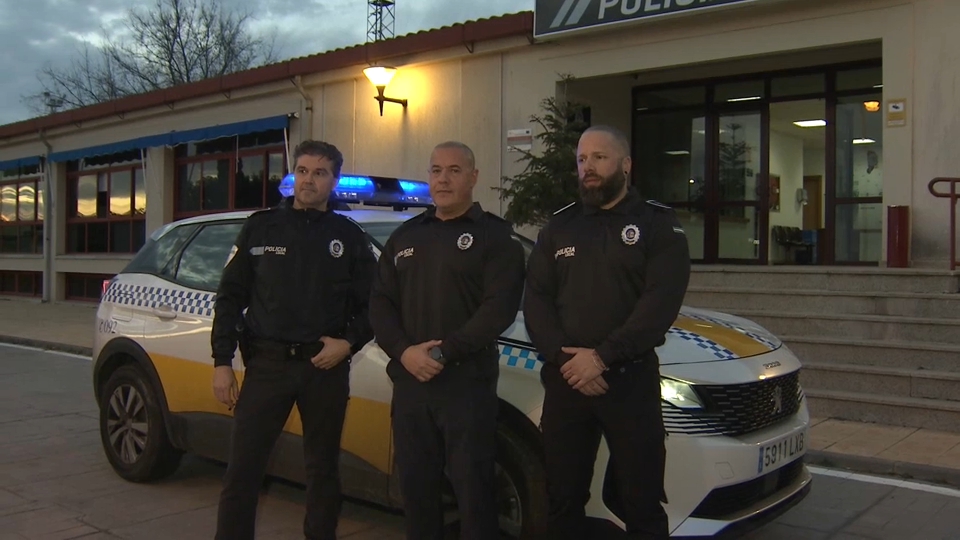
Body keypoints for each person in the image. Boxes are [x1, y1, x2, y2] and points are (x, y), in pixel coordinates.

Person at [522, 125, 691, 540]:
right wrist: (565, 360)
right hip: (567, 383)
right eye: (582, 159)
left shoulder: (657, 224)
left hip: (629, 383)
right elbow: (537, 300)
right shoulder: (560, 226)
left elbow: (659, 306)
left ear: (626, 165)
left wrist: (600, 358)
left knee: (642, 502)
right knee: (562, 498)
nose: (588, 167)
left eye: (599, 157)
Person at [210, 139, 377, 540]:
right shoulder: (261, 226)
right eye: (302, 171)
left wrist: (348, 343)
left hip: (324, 368)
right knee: (243, 469)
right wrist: (222, 361)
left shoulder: (349, 237)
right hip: (267, 366)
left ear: (333, 180)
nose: (309, 180)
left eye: (320, 173)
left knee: (323, 471)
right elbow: (229, 297)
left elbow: (374, 305)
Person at [368, 141, 526, 540]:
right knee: (417, 492)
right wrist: (405, 353)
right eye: (436, 170)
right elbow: (380, 304)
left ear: (473, 177)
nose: (443, 179)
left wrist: (442, 352)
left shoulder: (495, 237)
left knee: (474, 494)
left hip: (465, 386)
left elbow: (498, 309)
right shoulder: (406, 236)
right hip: (411, 385)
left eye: (454, 170)